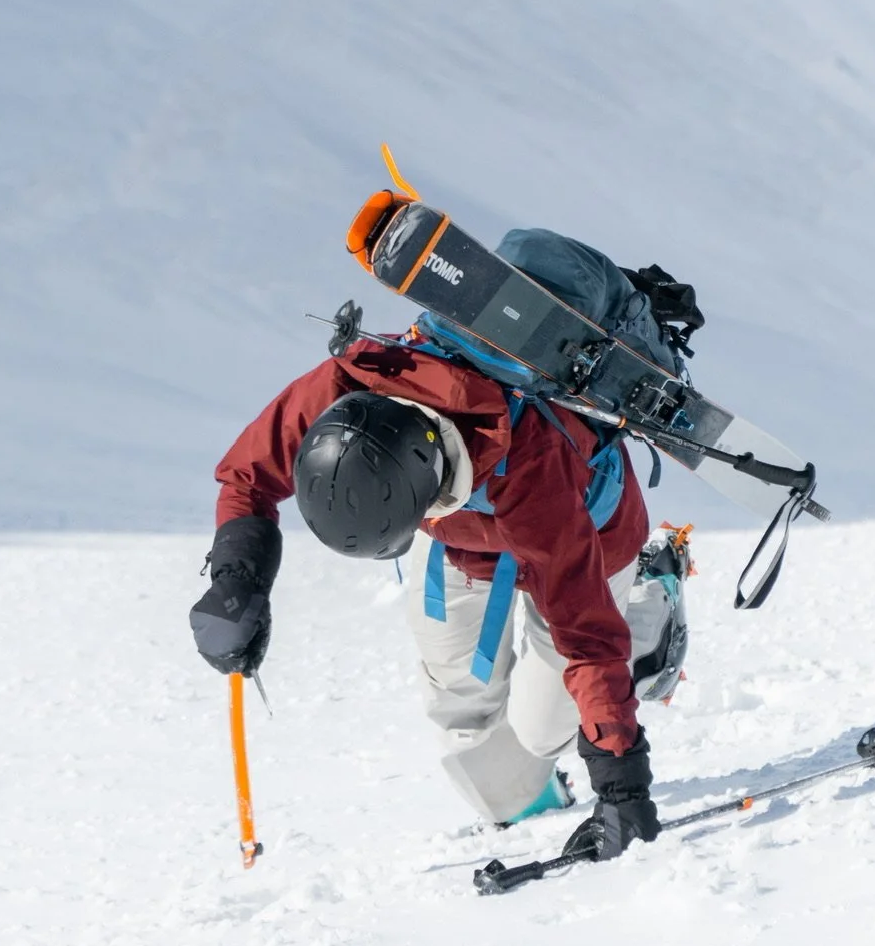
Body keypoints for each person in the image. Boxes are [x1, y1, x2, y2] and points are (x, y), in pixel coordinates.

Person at [190, 316, 687, 859]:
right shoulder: (351, 384)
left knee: (549, 727)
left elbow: (587, 639)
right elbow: (248, 476)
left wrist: (621, 785)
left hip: (585, 536)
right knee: (464, 718)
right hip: (457, 537)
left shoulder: (532, 470)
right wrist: (238, 584)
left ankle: (652, 597)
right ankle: (529, 804)